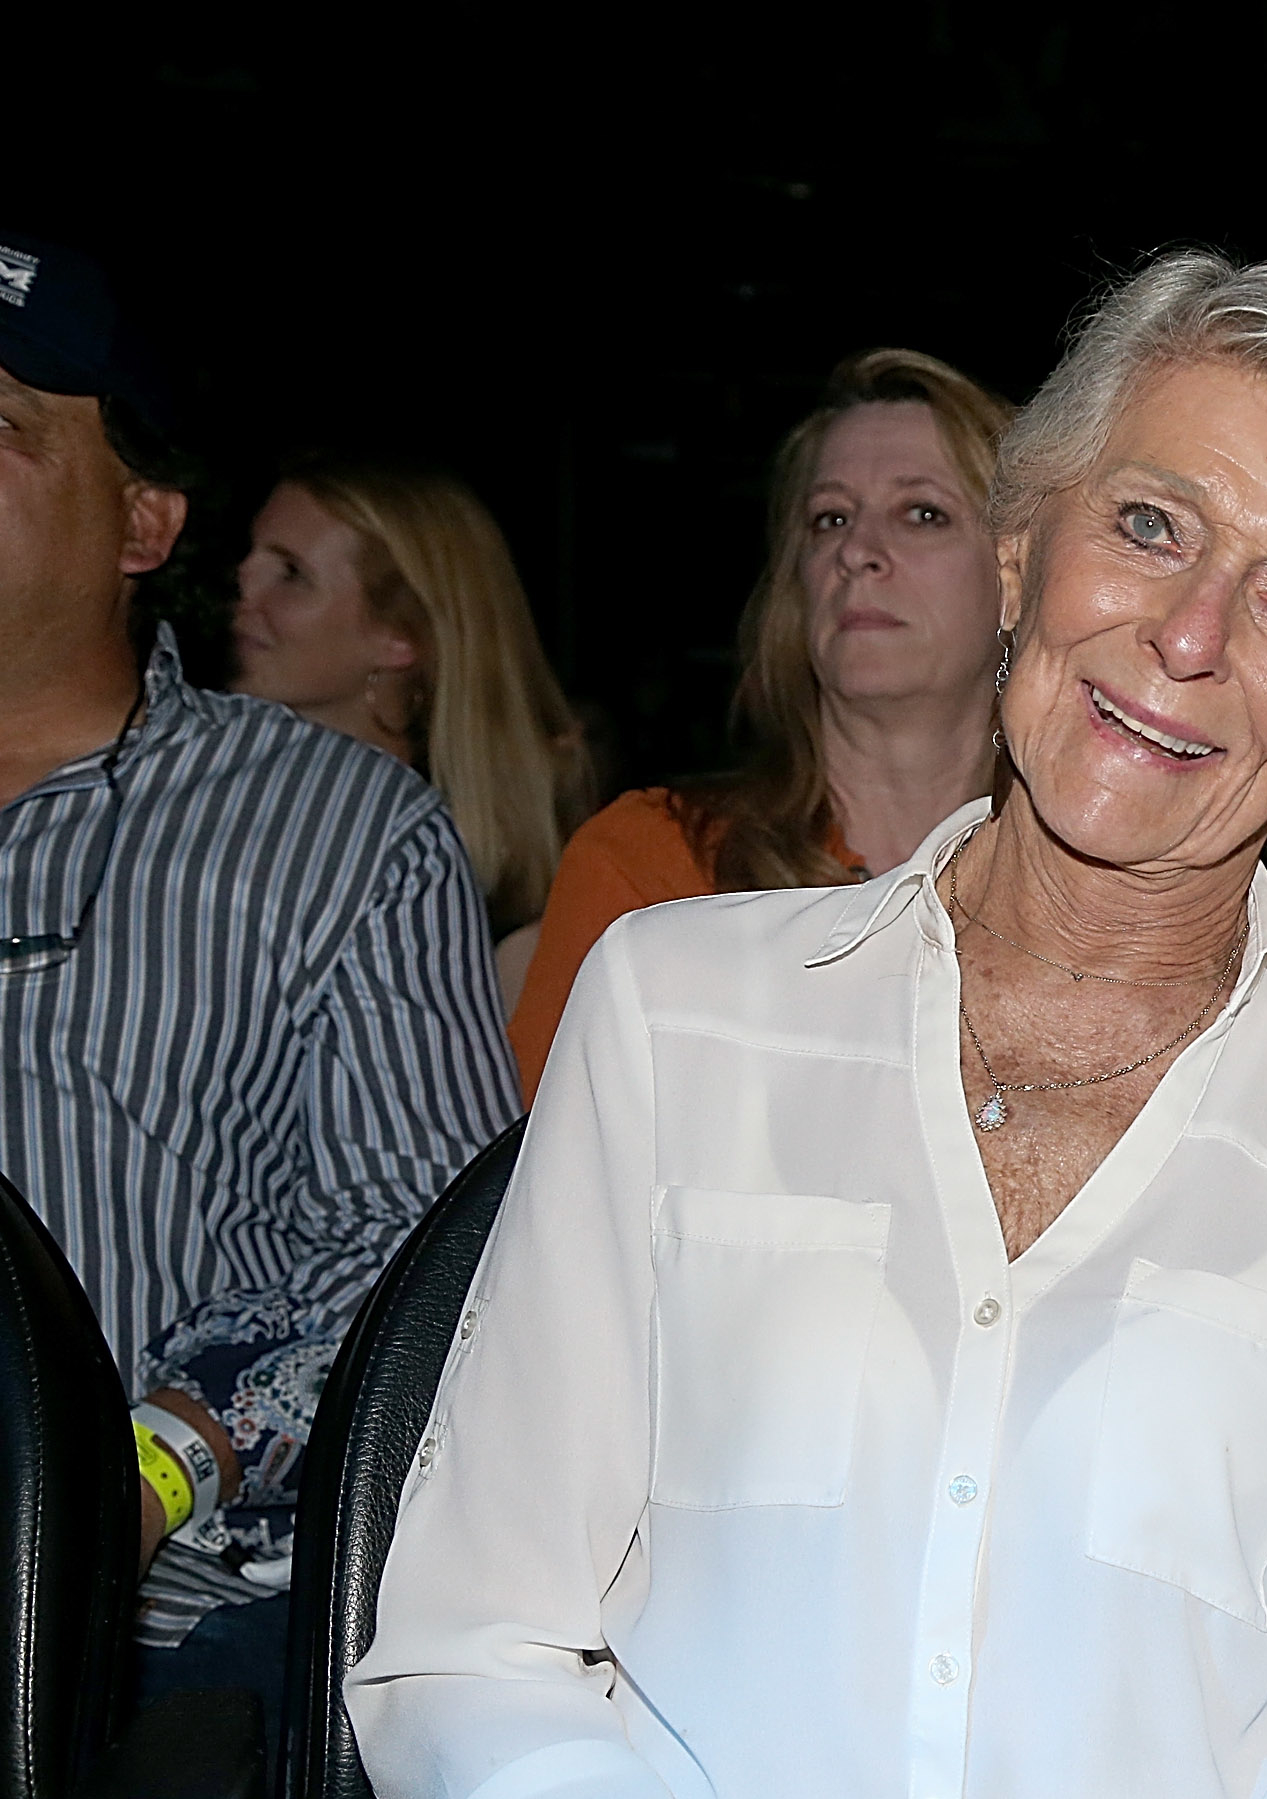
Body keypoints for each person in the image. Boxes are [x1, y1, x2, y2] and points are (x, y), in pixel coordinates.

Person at [349, 254, 1267, 1799]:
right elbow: (467, 1657)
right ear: (1017, 554)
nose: (1193, 637)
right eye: (1151, 526)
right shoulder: (675, 1013)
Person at [0, 228, 517, 1702]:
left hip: (114, 1639)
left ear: (140, 522)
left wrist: (136, 1468)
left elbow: (419, 1244)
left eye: (4, 428)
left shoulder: (331, 831)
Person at [506, 348, 1011, 1101]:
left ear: (1020, 576)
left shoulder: (1088, 893)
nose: (857, 552)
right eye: (829, 518)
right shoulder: (654, 866)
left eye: (923, 513)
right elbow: (540, 1188)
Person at [231, 456, 598, 1008]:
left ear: (399, 637)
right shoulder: (201, 802)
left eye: (290, 575)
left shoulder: (487, 924)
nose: (241, 589)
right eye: (246, 557)